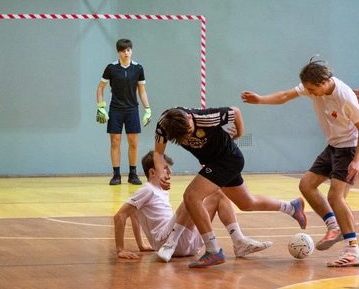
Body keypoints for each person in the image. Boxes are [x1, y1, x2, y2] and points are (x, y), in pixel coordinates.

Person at [241, 57, 359, 267]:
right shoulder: (313, 86)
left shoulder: (344, 96)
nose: (308, 92)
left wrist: (356, 161)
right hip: (334, 146)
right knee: (306, 185)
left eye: (311, 89)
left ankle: (353, 250)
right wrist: (260, 99)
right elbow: (284, 96)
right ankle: (333, 225)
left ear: (323, 83)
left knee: (336, 197)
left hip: (350, 148)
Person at [153, 106, 306, 268]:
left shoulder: (206, 117)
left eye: (190, 132)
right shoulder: (165, 126)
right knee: (247, 203)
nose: (188, 137)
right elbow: (158, 153)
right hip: (213, 163)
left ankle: (212, 250)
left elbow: (236, 112)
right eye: (183, 137)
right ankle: (291, 208)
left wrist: (239, 133)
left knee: (191, 196)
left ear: (190, 117)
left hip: (228, 159)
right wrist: (160, 171)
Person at [113, 151, 272, 261]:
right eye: (166, 168)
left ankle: (239, 242)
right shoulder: (147, 189)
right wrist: (120, 250)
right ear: (152, 172)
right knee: (190, 197)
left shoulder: (159, 191)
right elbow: (120, 215)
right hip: (166, 242)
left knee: (219, 193)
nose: (170, 172)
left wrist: (141, 245)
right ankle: (170, 244)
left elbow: (135, 216)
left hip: (188, 245)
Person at [96, 39, 151, 185]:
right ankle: (116, 175)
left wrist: (148, 109)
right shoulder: (111, 68)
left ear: (131, 51)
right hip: (115, 110)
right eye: (123, 51)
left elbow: (142, 91)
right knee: (115, 142)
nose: (126, 53)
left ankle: (133, 174)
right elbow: (100, 88)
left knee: (133, 142)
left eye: (128, 50)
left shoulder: (138, 68)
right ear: (118, 52)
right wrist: (100, 106)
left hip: (132, 109)